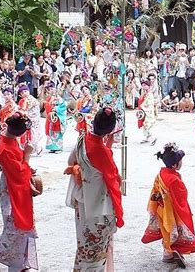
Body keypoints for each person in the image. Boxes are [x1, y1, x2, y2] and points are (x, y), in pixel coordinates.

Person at [65, 107, 124, 272]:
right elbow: (114, 180)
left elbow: (72, 161)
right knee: (96, 247)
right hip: (98, 206)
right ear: (111, 130)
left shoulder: (81, 140)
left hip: (82, 199)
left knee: (83, 241)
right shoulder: (103, 152)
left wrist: (107, 146)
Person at [0, 113, 38, 270]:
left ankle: (20, 261)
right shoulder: (5, 149)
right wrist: (26, 156)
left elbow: (19, 166)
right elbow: (19, 172)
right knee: (14, 224)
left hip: (13, 181)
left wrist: (24, 160)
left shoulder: (7, 137)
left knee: (19, 223)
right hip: (12, 186)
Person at [142, 143, 195, 269]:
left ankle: (167, 253)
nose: (181, 163)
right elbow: (181, 196)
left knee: (166, 230)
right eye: (180, 161)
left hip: (160, 208)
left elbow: (155, 190)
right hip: (171, 211)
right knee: (174, 231)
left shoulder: (161, 174)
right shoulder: (174, 179)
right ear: (174, 165)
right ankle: (169, 253)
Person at [18, 85, 43, 156]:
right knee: (28, 136)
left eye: (25, 91)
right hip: (28, 119)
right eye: (22, 93)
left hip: (33, 120)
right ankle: (31, 150)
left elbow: (25, 108)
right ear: (20, 95)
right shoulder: (22, 101)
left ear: (29, 91)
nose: (24, 93)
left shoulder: (32, 99)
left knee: (34, 135)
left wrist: (24, 112)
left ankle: (38, 149)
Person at [44, 82, 67, 153]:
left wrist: (56, 108)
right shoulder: (49, 99)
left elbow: (63, 106)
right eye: (49, 89)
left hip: (58, 118)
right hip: (52, 118)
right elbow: (47, 107)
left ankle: (59, 148)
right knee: (51, 133)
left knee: (57, 133)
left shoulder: (59, 99)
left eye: (52, 88)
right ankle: (52, 147)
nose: (51, 90)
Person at [138, 79, 157, 146]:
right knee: (144, 125)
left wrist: (142, 106)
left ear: (148, 86)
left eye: (145, 85)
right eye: (142, 85)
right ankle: (147, 137)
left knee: (147, 125)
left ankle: (152, 138)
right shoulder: (145, 93)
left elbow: (149, 103)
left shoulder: (150, 94)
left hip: (148, 111)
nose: (143, 87)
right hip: (145, 111)